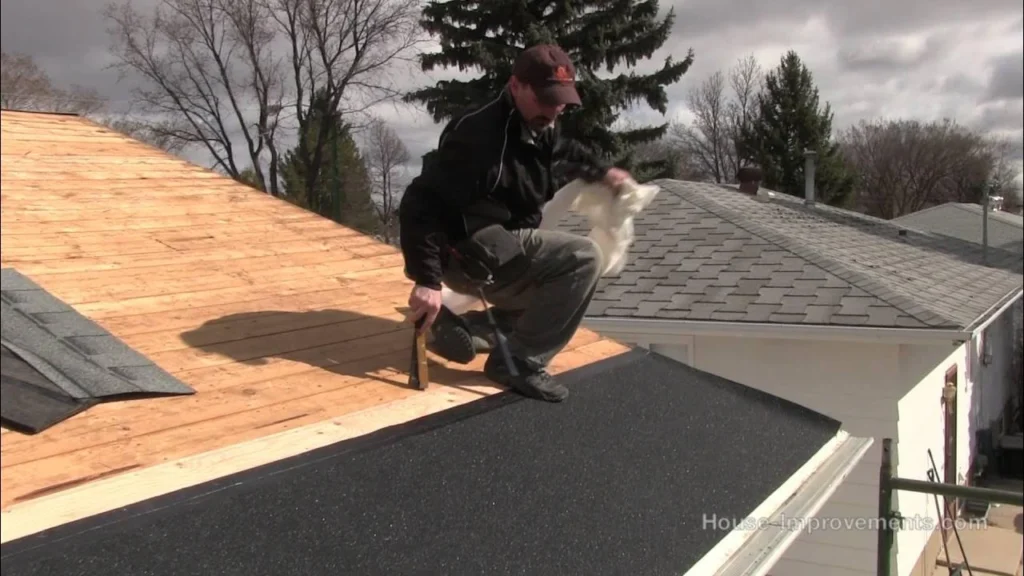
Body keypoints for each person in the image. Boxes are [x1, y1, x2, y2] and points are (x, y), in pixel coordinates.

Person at [398, 44, 630, 402]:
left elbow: (565, 153)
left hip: (499, 243)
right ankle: (518, 362)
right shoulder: (477, 138)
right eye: (545, 99)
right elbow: (420, 204)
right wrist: (427, 280)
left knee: (546, 261)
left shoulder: (541, 124)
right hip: (465, 254)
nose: (554, 110)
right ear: (515, 86)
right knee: (582, 259)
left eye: (561, 101)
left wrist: (602, 173)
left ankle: (480, 331)